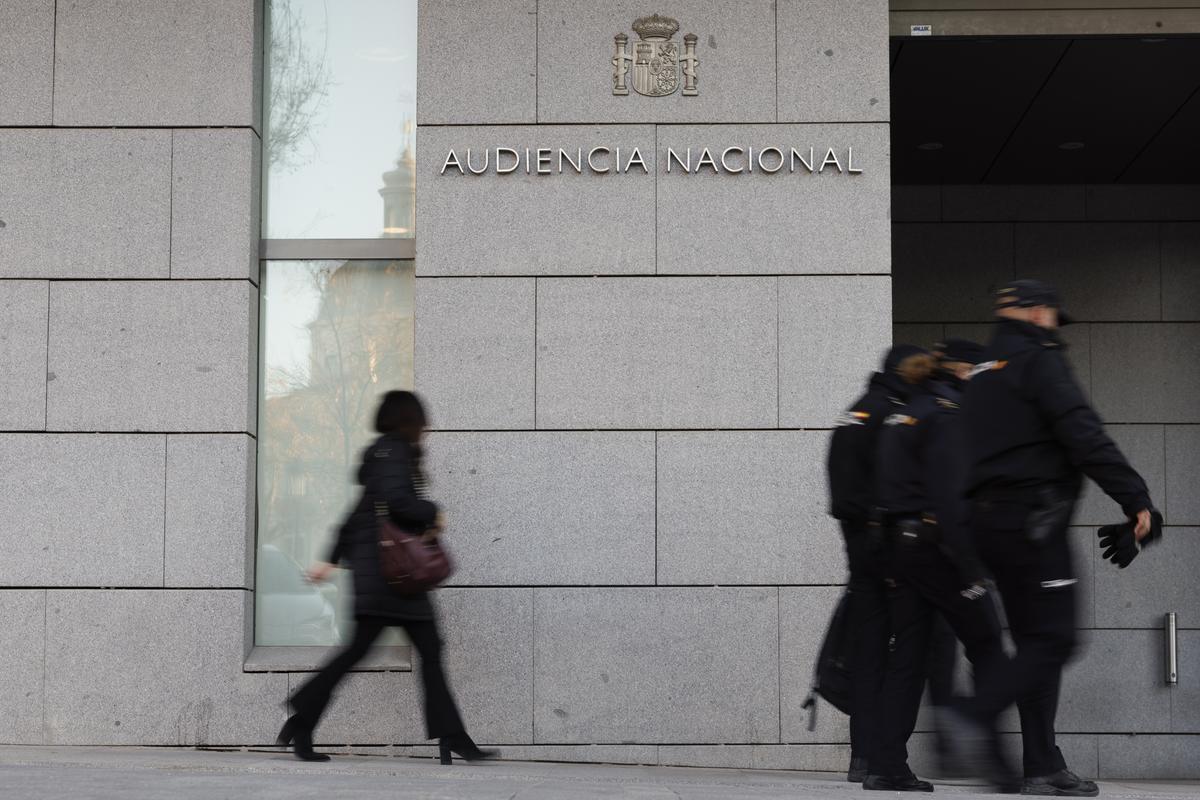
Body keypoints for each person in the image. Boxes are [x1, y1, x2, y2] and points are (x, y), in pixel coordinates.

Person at [948, 280, 1157, 797]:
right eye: (1051, 316)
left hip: (987, 523)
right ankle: (974, 714)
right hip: (1033, 523)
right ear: (1038, 313)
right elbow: (1082, 432)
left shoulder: (979, 372)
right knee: (1055, 638)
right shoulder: (1038, 360)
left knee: (1034, 643)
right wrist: (1135, 499)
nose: (1053, 326)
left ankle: (1042, 762)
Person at [278, 390, 494, 766]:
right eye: (421, 421)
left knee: (403, 651)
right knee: (417, 652)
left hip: (384, 579)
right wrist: (433, 511)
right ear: (407, 420)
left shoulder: (382, 455)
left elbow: (356, 515)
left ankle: (303, 720)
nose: (426, 429)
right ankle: (451, 737)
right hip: (394, 579)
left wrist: (329, 559)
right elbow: (398, 502)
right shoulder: (393, 452)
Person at [864, 340, 1013, 793]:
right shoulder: (947, 415)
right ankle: (995, 759)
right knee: (987, 644)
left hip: (901, 549)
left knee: (907, 659)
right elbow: (949, 499)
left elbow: (881, 492)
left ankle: (886, 765)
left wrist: (887, 558)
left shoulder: (903, 412)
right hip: (938, 551)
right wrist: (971, 568)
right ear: (964, 372)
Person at [826, 344, 929, 784]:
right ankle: (885, 760)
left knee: (867, 655)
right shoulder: (891, 415)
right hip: (884, 545)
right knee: (900, 654)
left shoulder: (856, 411)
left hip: (857, 543)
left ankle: (863, 757)